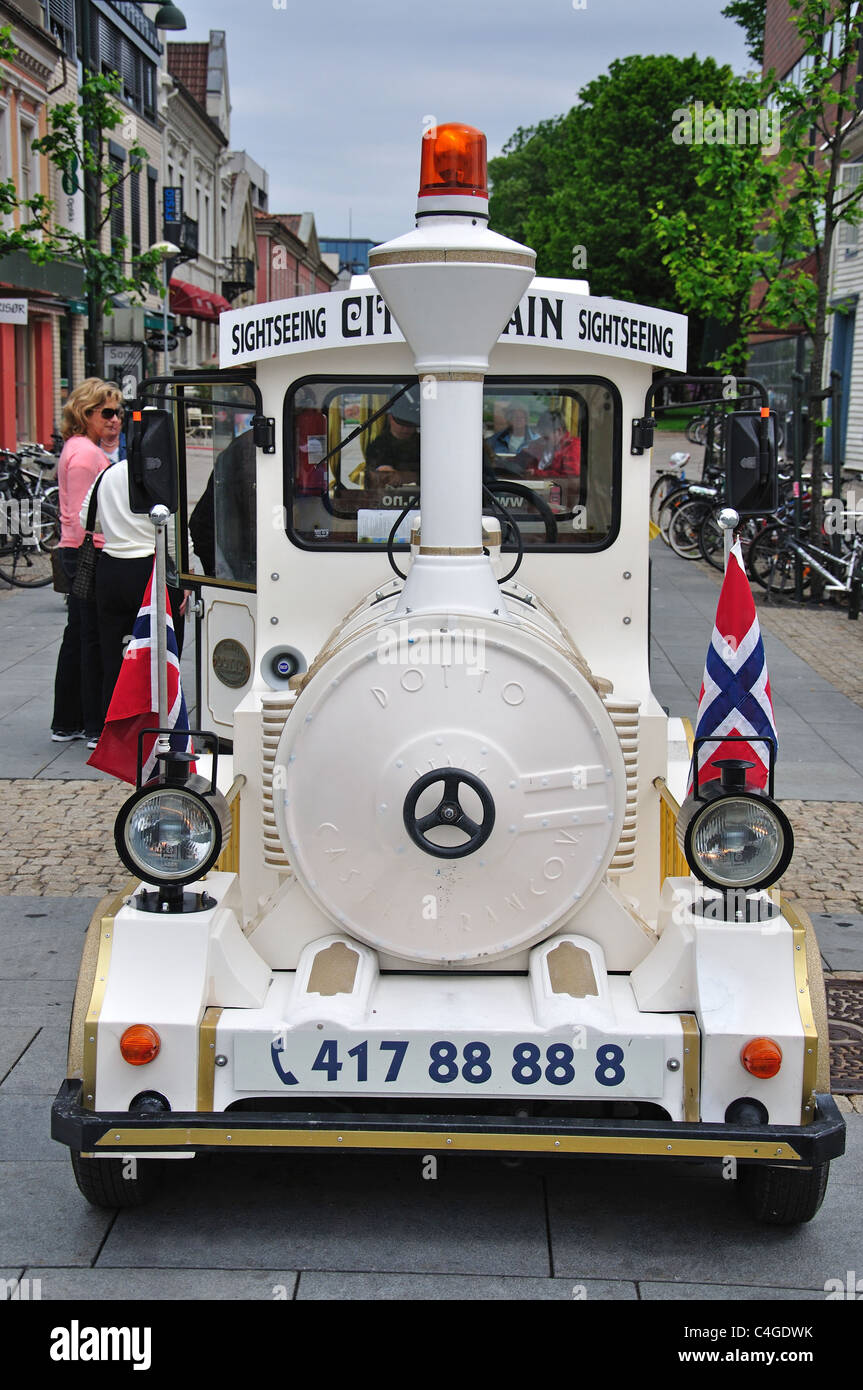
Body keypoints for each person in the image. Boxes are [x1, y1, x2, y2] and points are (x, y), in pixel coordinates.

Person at [81, 456, 187, 719]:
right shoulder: (161, 473)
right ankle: (155, 719)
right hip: (150, 566)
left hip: (111, 567)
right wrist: (186, 575)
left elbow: (87, 518)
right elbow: (172, 530)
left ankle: (111, 722)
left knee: (113, 653)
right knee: (160, 650)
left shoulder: (108, 472)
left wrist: (118, 528)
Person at [50, 378, 122, 748]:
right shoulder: (84, 455)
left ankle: (69, 721)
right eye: (106, 413)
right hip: (85, 552)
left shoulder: (81, 449)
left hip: (79, 550)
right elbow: (83, 517)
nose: (115, 420)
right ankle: (91, 724)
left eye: (118, 413)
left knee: (79, 636)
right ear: (85, 413)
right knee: (91, 637)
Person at [365, 388, 420, 481]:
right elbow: (380, 474)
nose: (406, 429)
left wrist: (404, 476)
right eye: (401, 423)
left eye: (411, 425)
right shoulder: (378, 446)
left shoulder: (424, 444)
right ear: (390, 418)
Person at [516, 409, 581, 479]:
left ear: (559, 431)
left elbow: (571, 478)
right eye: (541, 435)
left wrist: (537, 473)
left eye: (546, 437)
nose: (542, 440)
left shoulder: (573, 447)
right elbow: (520, 461)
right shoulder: (540, 444)